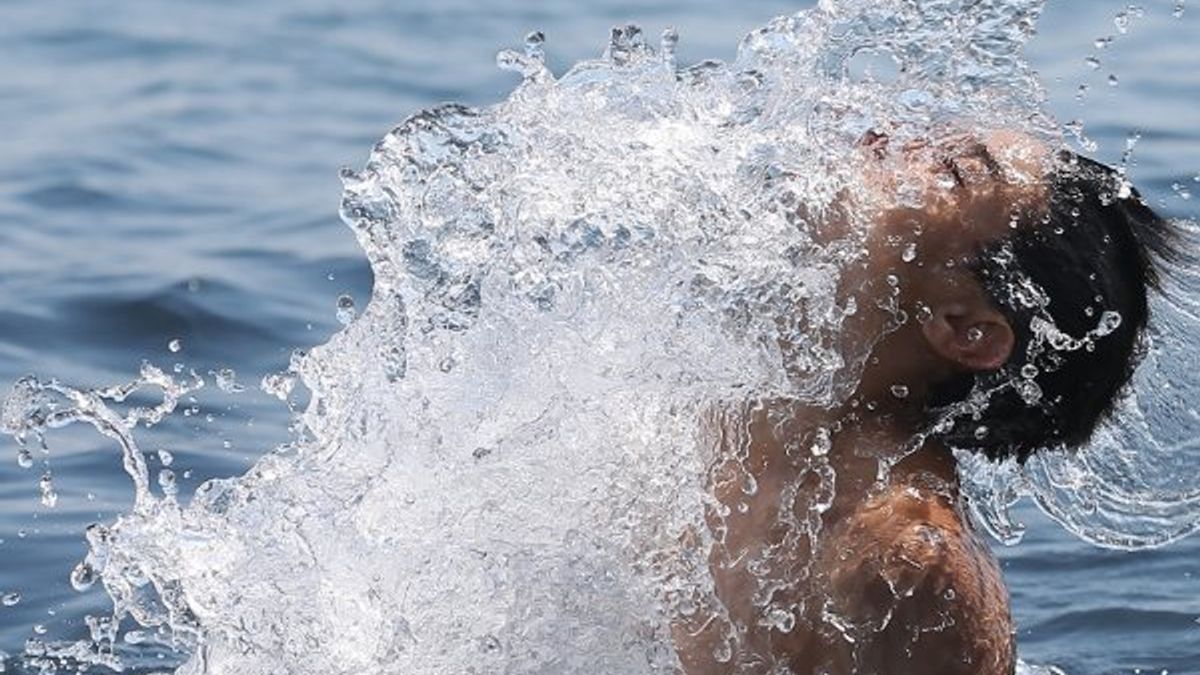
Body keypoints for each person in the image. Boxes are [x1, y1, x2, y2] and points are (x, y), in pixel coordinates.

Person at [672, 129, 1180, 674]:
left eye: (951, 171)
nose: (883, 140)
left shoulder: (909, 567)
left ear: (965, 331)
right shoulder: (701, 407)